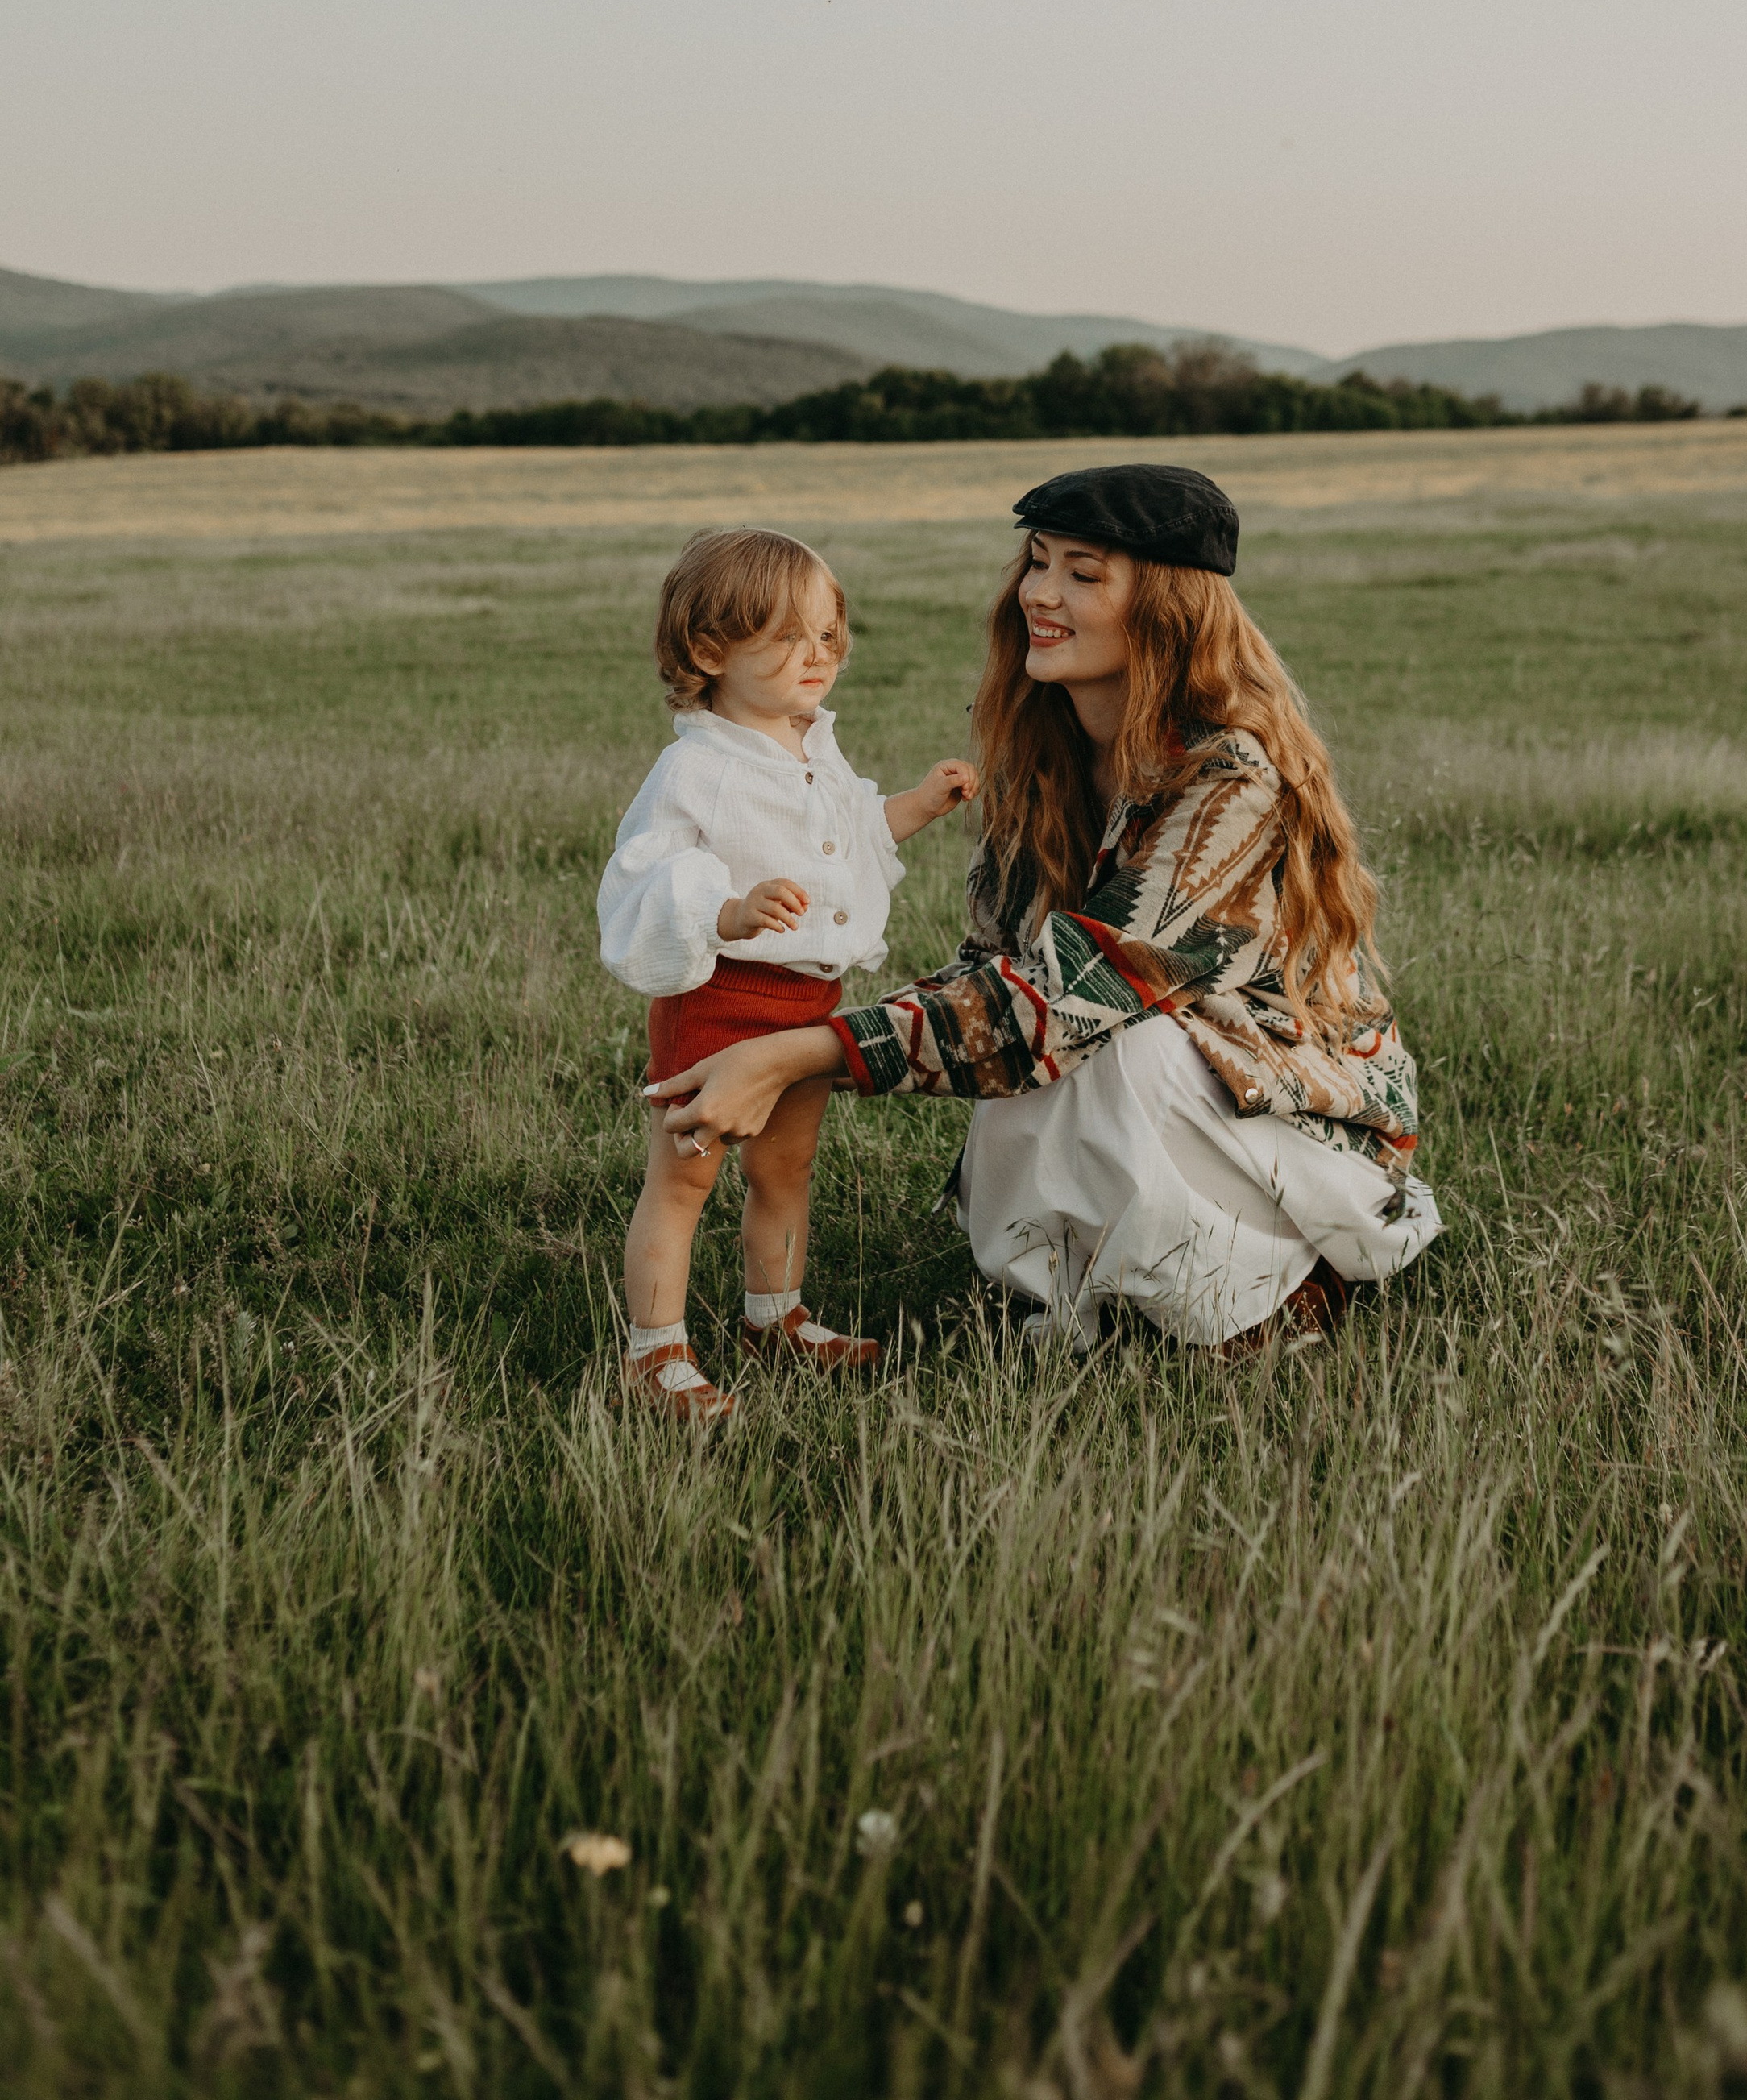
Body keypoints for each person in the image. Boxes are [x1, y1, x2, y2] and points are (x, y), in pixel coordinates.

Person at [648, 467, 1439, 1352]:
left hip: (1307, 1136)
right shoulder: (1043, 762)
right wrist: (774, 1038)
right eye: (1036, 561)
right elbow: (991, 975)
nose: (1039, 593)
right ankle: (1112, 1297)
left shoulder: (1229, 781)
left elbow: (1076, 998)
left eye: (1083, 573)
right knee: (1013, 1057)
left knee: (1107, 1046)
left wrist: (807, 1053)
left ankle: (1269, 1290)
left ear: (1166, 609)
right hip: (1168, 1082)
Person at [599, 525, 973, 1419]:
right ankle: (653, 1356)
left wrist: (918, 804)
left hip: (809, 1002)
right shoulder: (694, 768)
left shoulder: (812, 746)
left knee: (787, 1168)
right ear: (708, 650)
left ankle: (775, 1316)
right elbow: (643, 877)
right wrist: (726, 913)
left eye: (828, 636)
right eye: (787, 637)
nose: (818, 656)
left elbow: (849, 840)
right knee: (685, 1179)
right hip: (720, 1000)